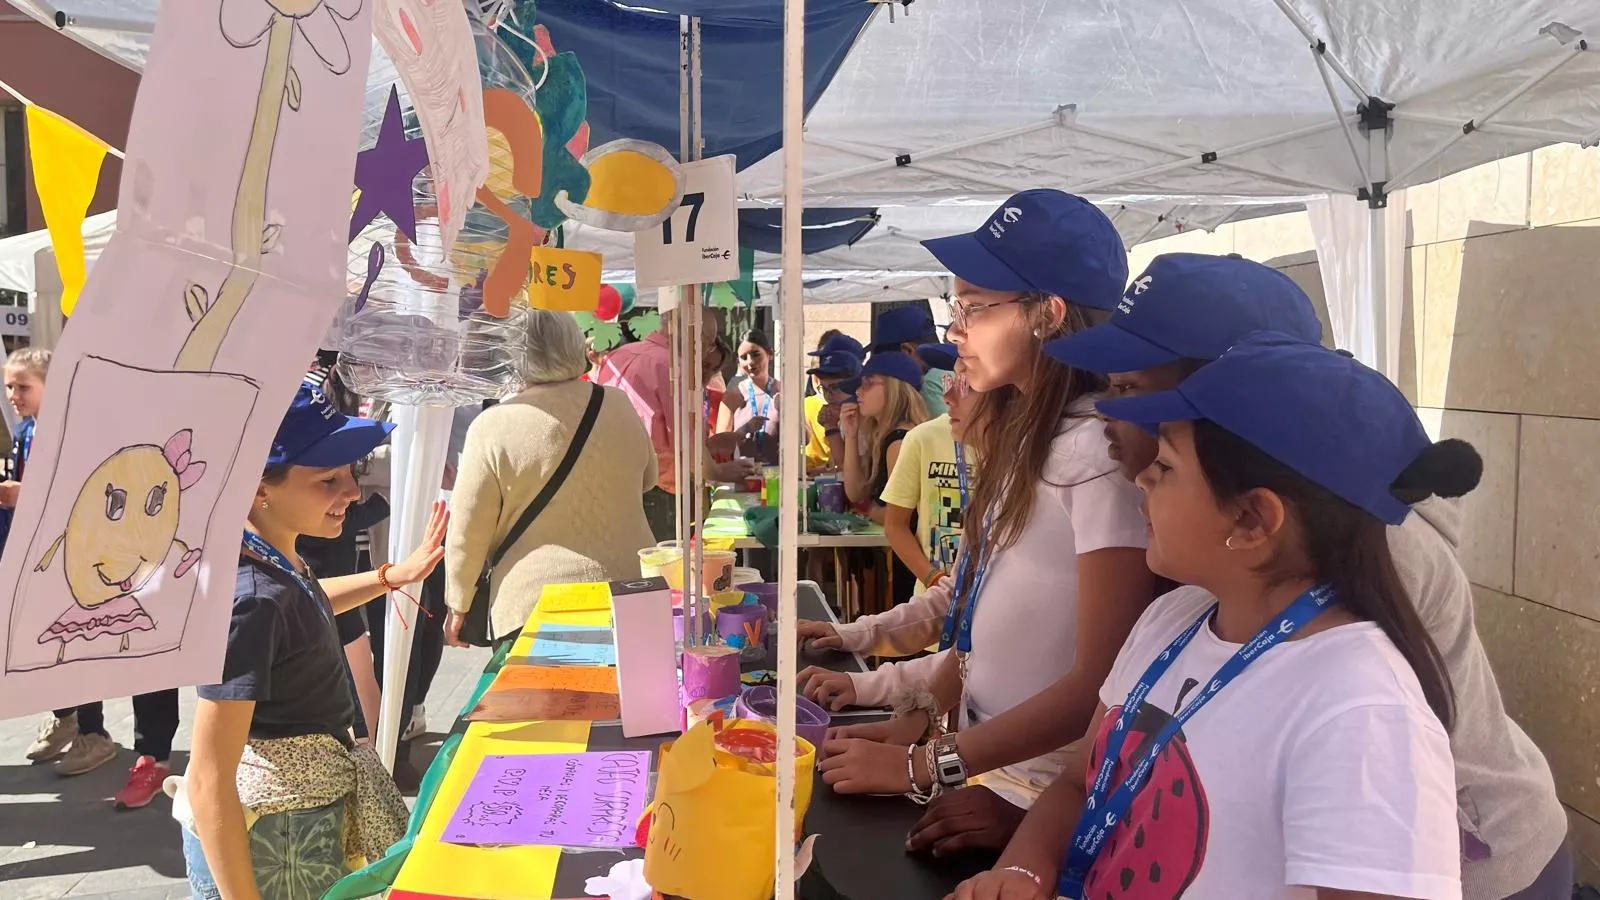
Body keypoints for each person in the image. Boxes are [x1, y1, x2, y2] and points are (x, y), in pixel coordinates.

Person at [1017, 253, 1567, 899]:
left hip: (1472, 863)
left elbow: (1360, 771)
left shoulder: (1365, 570)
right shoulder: (1209, 552)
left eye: (1133, 389)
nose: (1108, 411)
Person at [950, 333, 1473, 900]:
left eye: (1167, 466)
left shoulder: (1361, 711)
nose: (1141, 477)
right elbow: (1082, 782)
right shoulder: (1169, 620)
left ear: (1251, 519)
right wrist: (1023, 872)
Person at [806, 191, 1152, 824]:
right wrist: (915, 721)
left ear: (1047, 314)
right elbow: (977, 642)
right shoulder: (1026, 445)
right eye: (953, 306)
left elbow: (1099, 686)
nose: (954, 331)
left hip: (1038, 795)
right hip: (987, 771)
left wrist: (927, 763)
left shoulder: (1098, 460)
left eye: (972, 308)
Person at [184, 382, 447, 899]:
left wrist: (391, 575)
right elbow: (207, 777)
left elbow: (306, 600)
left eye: (350, 473)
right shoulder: (252, 599)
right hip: (273, 847)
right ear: (259, 487)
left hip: (294, 832)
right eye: (327, 479)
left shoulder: (277, 562)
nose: (351, 492)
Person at [9, 348, 183, 806]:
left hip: (134, 566)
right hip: (81, 567)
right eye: (9, 386)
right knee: (78, 646)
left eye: (22, 386)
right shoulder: (34, 430)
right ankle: (83, 724)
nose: (12, 395)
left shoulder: (103, 425)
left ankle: (152, 755)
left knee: (145, 656)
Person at [445, 310, 657, 649]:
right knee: (631, 700)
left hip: (536, 607)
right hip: (629, 591)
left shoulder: (492, 425)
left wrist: (459, 603)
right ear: (576, 345)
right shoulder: (617, 403)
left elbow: (468, 531)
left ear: (513, 356)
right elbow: (649, 478)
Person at [596, 307, 756, 541]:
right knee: (663, 570)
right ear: (697, 337)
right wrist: (717, 471)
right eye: (709, 344)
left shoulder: (617, 356)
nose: (706, 351)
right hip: (657, 490)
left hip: (611, 483)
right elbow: (685, 442)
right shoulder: (676, 369)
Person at [880, 343, 975, 592]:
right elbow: (895, 524)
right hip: (932, 605)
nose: (948, 396)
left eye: (966, 383)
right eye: (948, 380)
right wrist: (933, 579)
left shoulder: (1018, 444)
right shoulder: (922, 438)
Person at [871, 305, 952, 416]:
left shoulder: (928, 386)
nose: (882, 372)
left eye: (885, 361)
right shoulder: (962, 369)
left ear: (907, 351)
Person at [804, 333, 865, 473]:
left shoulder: (863, 417)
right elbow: (838, 466)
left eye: (835, 387)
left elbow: (846, 470)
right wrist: (831, 425)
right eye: (824, 388)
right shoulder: (841, 415)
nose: (828, 396)